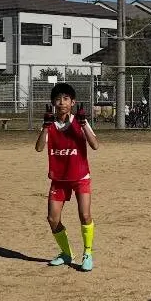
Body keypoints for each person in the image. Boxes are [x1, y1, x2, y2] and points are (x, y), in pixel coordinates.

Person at [34, 82, 99, 272]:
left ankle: (88, 253)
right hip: (59, 179)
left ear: (73, 102)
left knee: (85, 215)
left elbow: (95, 145)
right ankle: (66, 253)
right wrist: (45, 127)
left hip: (80, 176)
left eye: (66, 99)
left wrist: (83, 124)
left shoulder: (80, 121)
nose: (61, 102)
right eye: (57, 99)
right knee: (52, 219)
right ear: (53, 103)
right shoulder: (49, 124)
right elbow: (38, 148)